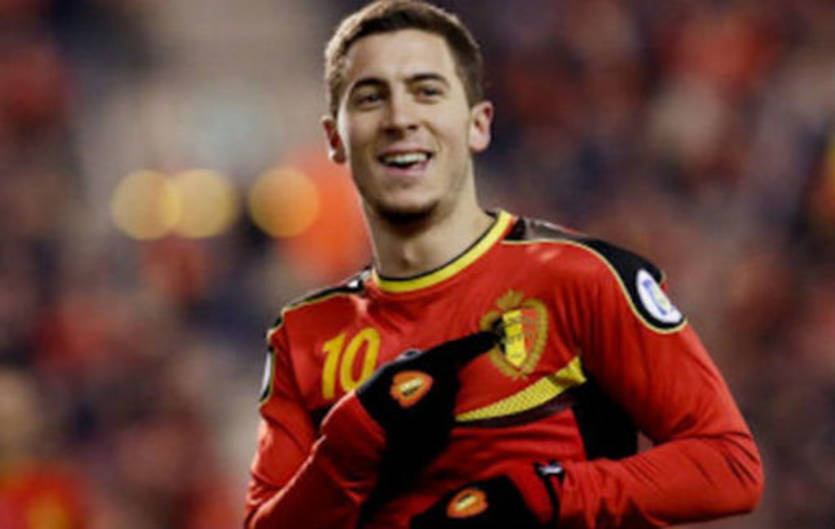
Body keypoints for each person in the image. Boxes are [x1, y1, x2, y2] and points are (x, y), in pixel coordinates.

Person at [244, 1, 764, 527]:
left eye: (427, 92)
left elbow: (731, 466)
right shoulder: (302, 337)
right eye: (371, 97)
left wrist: (546, 495)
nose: (400, 119)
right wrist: (349, 447)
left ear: (478, 125)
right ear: (335, 139)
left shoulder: (581, 278)